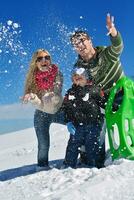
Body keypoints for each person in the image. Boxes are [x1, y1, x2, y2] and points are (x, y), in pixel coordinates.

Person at [70, 13, 125, 163]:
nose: (79, 45)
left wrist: (113, 32)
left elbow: (118, 46)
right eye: (75, 44)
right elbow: (78, 90)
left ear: (90, 41)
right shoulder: (79, 67)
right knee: (96, 123)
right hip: (102, 100)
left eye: (81, 40)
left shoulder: (106, 54)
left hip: (121, 93)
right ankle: (95, 156)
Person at [22, 49, 65, 169]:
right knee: (43, 145)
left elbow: (57, 93)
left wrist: (53, 97)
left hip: (59, 110)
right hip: (42, 114)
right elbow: (41, 106)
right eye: (40, 59)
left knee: (80, 126)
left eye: (47, 57)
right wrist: (34, 98)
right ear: (35, 63)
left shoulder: (57, 73)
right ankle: (42, 168)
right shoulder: (32, 80)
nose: (44, 60)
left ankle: (83, 155)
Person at [62, 67, 106, 168]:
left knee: (92, 146)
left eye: (80, 77)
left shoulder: (94, 89)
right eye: (75, 76)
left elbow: (103, 103)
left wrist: (108, 110)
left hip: (93, 124)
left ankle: (95, 166)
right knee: (72, 146)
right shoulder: (70, 92)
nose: (77, 78)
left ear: (86, 78)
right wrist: (68, 122)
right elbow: (66, 108)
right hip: (76, 126)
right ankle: (68, 166)